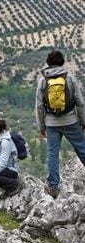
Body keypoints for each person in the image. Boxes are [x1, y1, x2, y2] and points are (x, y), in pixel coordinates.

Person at [36, 50, 85, 198]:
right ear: (62, 62)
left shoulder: (43, 80)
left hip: (51, 123)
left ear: (48, 62)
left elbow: (39, 106)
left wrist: (41, 126)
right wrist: (83, 121)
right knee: (82, 148)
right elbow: (80, 102)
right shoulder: (70, 78)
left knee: (52, 154)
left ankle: (53, 186)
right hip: (70, 121)